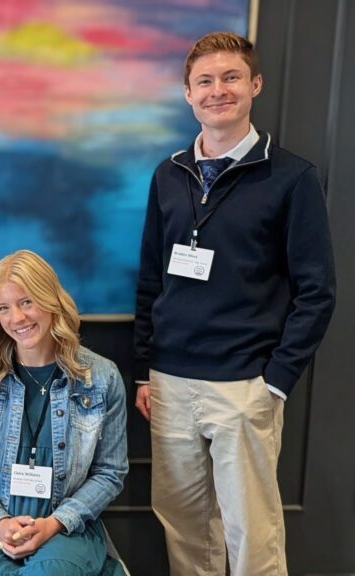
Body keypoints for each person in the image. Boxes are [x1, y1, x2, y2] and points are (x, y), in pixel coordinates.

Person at [133, 31, 336, 576]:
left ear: (255, 85)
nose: (217, 90)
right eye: (205, 81)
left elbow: (317, 291)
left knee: (252, 531)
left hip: (245, 385)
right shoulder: (168, 175)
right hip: (171, 381)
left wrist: (276, 380)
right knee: (184, 527)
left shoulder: (292, 178)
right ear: (187, 93)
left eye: (230, 78)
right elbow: (151, 276)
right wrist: (144, 370)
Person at [0, 250, 128, 576]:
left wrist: (54, 524)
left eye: (27, 302)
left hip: (66, 527)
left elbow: (110, 472)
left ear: (51, 299)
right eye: (4, 308)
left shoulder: (100, 377)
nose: (17, 318)